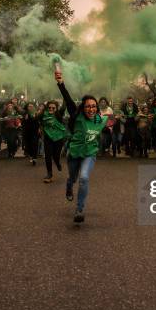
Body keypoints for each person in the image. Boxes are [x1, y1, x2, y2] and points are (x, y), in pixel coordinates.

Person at [55, 69, 107, 223]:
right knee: (73, 177)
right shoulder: (77, 116)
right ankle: (69, 185)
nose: (91, 109)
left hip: (89, 154)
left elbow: (108, 123)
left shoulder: (100, 120)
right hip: (74, 153)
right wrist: (60, 83)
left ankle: (79, 209)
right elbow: (68, 98)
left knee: (83, 178)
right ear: (83, 108)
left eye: (93, 106)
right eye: (88, 106)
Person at [40, 100, 68, 183]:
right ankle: (49, 174)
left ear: (56, 108)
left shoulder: (58, 115)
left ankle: (58, 163)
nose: (51, 109)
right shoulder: (44, 114)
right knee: (48, 156)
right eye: (49, 107)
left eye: (53, 108)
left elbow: (63, 107)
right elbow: (36, 118)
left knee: (56, 156)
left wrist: (64, 94)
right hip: (48, 138)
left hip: (58, 139)